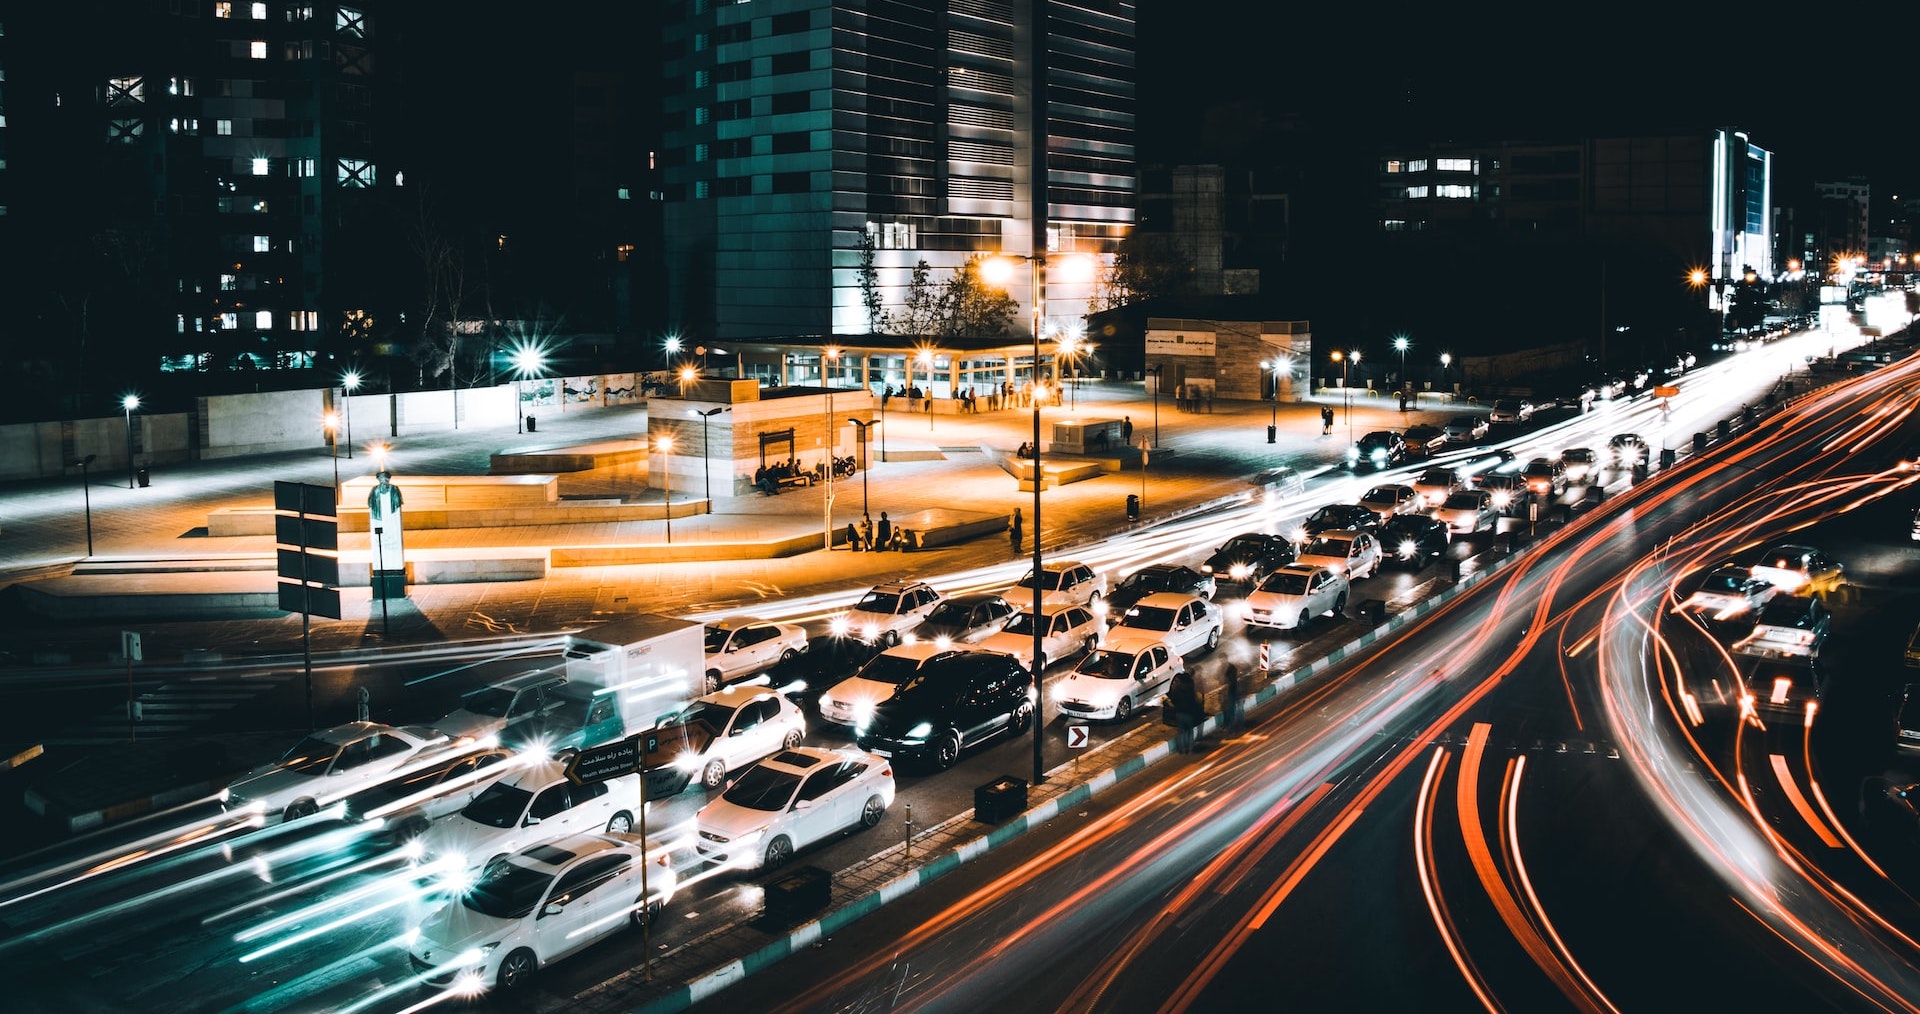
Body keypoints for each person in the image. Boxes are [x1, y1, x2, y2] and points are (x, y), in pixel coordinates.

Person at [1165, 671, 1204, 753]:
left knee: (1182, 732)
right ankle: (1190, 749)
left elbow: (1173, 700)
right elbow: (1194, 701)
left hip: (1179, 714)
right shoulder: (1190, 690)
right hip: (1189, 714)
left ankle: (1183, 749)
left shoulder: (1177, 690)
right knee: (1190, 732)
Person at [1222, 663, 1241, 730]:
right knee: (1234, 710)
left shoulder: (1230, 682)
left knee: (1231, 710)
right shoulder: (1234, 681)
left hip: (1231, 695)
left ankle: (1231, 726)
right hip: (1233, 694)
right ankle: (1235, 726)